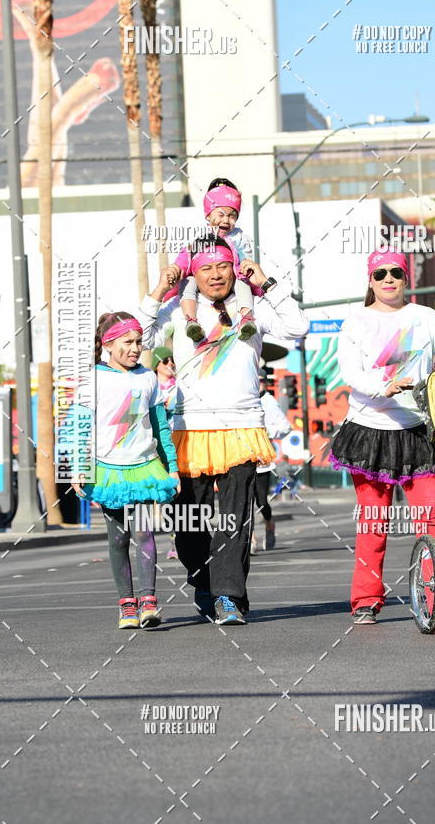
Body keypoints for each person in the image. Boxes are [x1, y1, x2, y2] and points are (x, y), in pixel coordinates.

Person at [138, 236, 309, 625]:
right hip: (189, 428)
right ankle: (203, 582)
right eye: (206, 268)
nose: (216, 275)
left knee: (234, 519)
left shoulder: (253, 308)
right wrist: (159, 290)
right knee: (189, 524)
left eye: (223, 266)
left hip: (241, 425)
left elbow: (298, 326)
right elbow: (142, 337)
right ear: (194, 274)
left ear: (235, 267)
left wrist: (267, 283)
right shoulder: (178, 311)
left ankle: (229, 597)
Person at [329, 249, 435, 626]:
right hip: (369, 434)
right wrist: (386, 385)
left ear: (406, 278)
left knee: (431, 522)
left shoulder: (425, 317)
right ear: (371, 280)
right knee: (374, 523)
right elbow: (351, 373)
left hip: (417, 431)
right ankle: (365, 600)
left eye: (396, 272)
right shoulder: (356, 321)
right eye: (380, 273)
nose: (389, 278)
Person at [72, 313, 179, 629]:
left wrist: (171, 468)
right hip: (109, 471)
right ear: (108, 344)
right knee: (118, 538)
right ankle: (127, 605)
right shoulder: (93, 379)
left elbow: (160, 427)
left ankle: (149, 601)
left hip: (144, 468)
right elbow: (80, 426)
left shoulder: (148, 378)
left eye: (138, 342)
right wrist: (78, 467)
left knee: (144, 532)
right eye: (128, 343)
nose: (135, 349)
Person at [175, 179, 258, 341]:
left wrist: (244, 270)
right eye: (220, 215)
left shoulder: (239, 237)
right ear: (208, 215)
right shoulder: (200, 235)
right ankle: (191, 321)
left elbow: (246, 257)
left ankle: (247, 319)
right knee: (187, 285)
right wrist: (178, 268)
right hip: (202, 280)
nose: (226, 220)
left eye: (232, 216)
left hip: (232, 278)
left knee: (243, 286)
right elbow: (186, 255)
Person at [252, 368, 292, 553]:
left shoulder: (269, 402)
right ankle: (250, 539)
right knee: (243, 502)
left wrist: (266, 431)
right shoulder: (244, 398)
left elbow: (285, 427)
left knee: (261, 501)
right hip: (240, 456)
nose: (259, 383)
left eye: (262, 380)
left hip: (262, 460)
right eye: (256, 379)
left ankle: (269, 524)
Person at [149, 347, 179, 559]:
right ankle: (174, 540)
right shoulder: (149, 386)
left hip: (180, 443)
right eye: (165, 361)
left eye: (172, 360)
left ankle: (185, 539)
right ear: (156, 365)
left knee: (182, 495)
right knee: (166, 497)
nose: (171, 364)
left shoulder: (180, 386)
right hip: (157, 448)